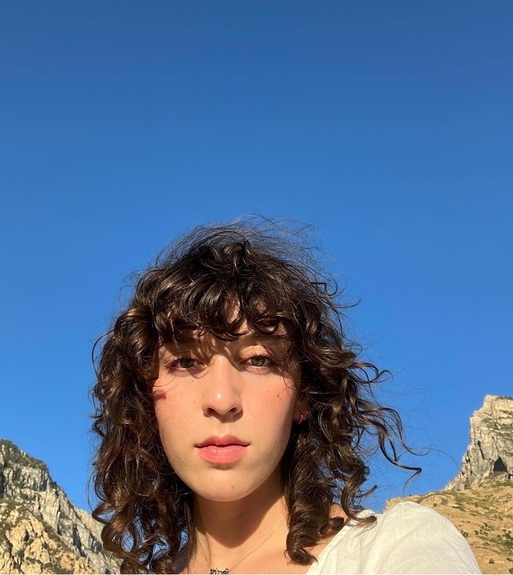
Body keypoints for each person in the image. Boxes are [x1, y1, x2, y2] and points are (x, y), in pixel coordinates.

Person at [91, 219, 480, 574]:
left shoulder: (392, 551)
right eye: (186, 362)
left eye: (259, 360)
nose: (222, 399)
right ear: (145, 396)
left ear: (304, 395)